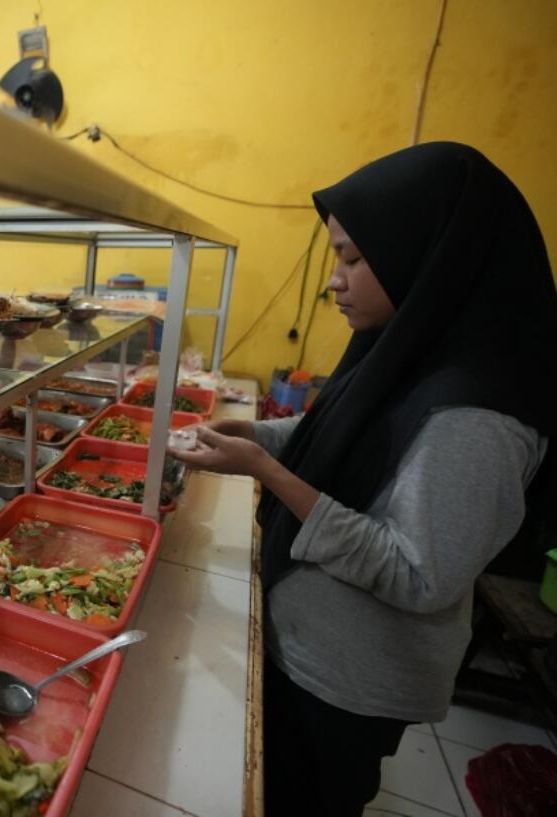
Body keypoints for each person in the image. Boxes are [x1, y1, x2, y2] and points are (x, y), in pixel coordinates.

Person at [170, 143, 556, 815]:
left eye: (352, 258)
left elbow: (417, 574)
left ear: (423, 250)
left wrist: (266, 470)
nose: (336, 281)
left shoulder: (477, 418)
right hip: (306, 640)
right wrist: (249, 434)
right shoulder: (407, 347)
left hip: (349, 679)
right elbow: (346, 438)